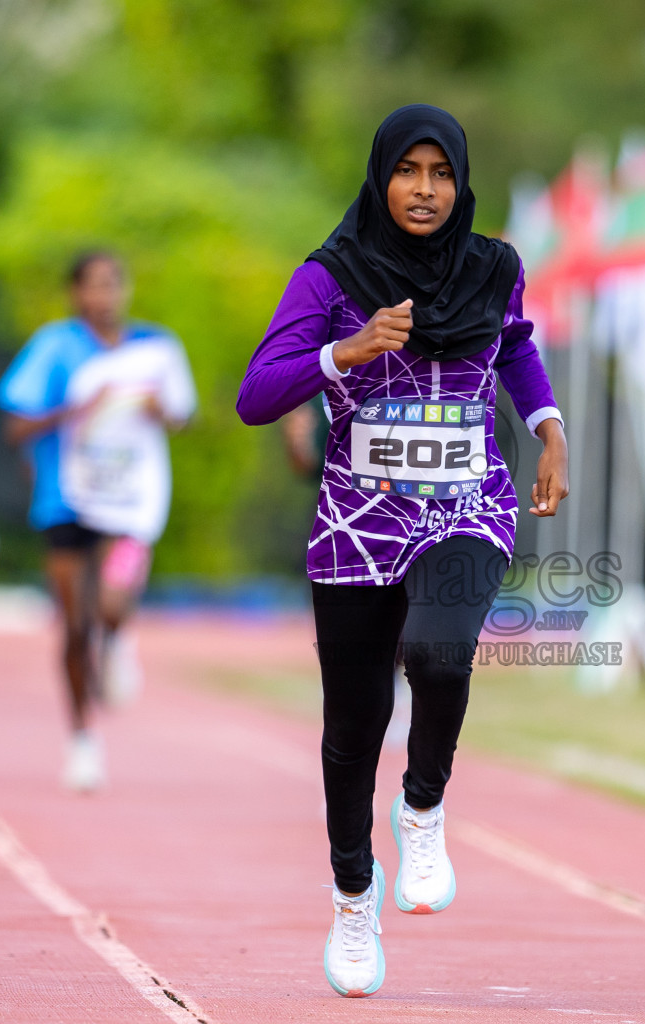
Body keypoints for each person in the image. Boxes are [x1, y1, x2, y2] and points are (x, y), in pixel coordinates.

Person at [237, 104, 569, 998]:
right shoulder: (329, 275)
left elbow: (515, 347)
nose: (425, 191)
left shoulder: (494, 267)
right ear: (381, 177)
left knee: (439, 653)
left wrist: (548, 427)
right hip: (357, 523)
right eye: (408, 172)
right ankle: (354, 896)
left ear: (461, 183)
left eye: (442, 174)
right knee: (351, 730)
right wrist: (344, 352)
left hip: (468, 505)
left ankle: (422, 806)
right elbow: (256, 395)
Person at [0, 250, 195, 793]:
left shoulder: (155, 348)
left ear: (126, 289)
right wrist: (74, 411)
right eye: (93, 286)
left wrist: (161, 411)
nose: (104, 296)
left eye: (114, 284)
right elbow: (14, 428)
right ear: (76, 293)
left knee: (111, 601)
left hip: (129, 499)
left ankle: (121, 634)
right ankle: (82, 738)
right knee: (74, 625)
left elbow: (183, 413)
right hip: (66, 497)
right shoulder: (55, 347)